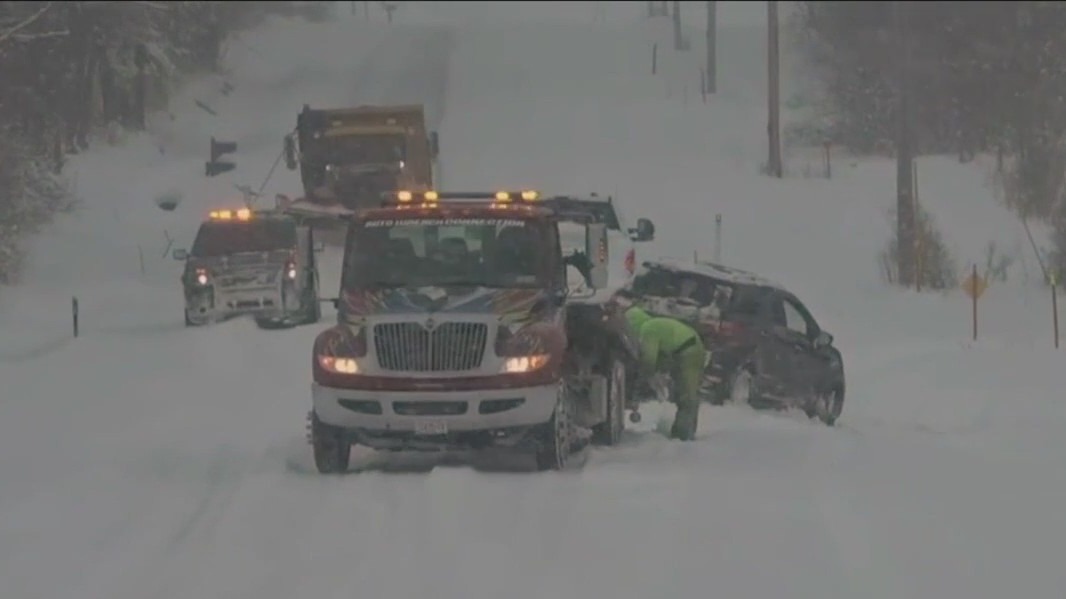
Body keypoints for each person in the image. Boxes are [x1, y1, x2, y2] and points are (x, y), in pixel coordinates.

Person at [624, 305, 709, 441]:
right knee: (684, 394)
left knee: (687, 395)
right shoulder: (653, 325)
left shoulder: (648, 329)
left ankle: (683, 435)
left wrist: (641, 378)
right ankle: (685, 431)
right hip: (689, 348)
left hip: (689, 352)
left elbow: (649, 360)